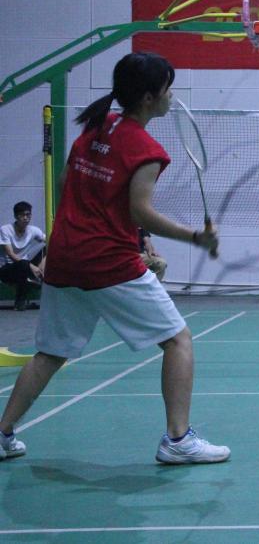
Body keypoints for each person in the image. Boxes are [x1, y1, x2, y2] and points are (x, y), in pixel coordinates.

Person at [0, 52, 228, 465]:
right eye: (167, 88)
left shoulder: (96, 123)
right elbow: (141, 215)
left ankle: (2, 434)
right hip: (109, 263)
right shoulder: (147, 151)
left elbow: (67, 182)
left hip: (65, 257)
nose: (171, 95)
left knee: (50, 353)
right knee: (178, 340)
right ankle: (178, 440)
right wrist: (196, 237)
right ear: (148, 98)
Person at [0, 202, 46, 311]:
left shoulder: (33, 230)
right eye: (22, 215)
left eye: (28, 215)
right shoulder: (5, 230)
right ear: (16, 216)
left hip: (25, 265)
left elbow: (51, 242)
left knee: (51, 248)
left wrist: (42, 265)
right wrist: (31, 266)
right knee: (23, 264)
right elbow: (11, 255)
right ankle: (20, 301)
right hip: (6, 269)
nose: (25, 218)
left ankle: (35, 277)